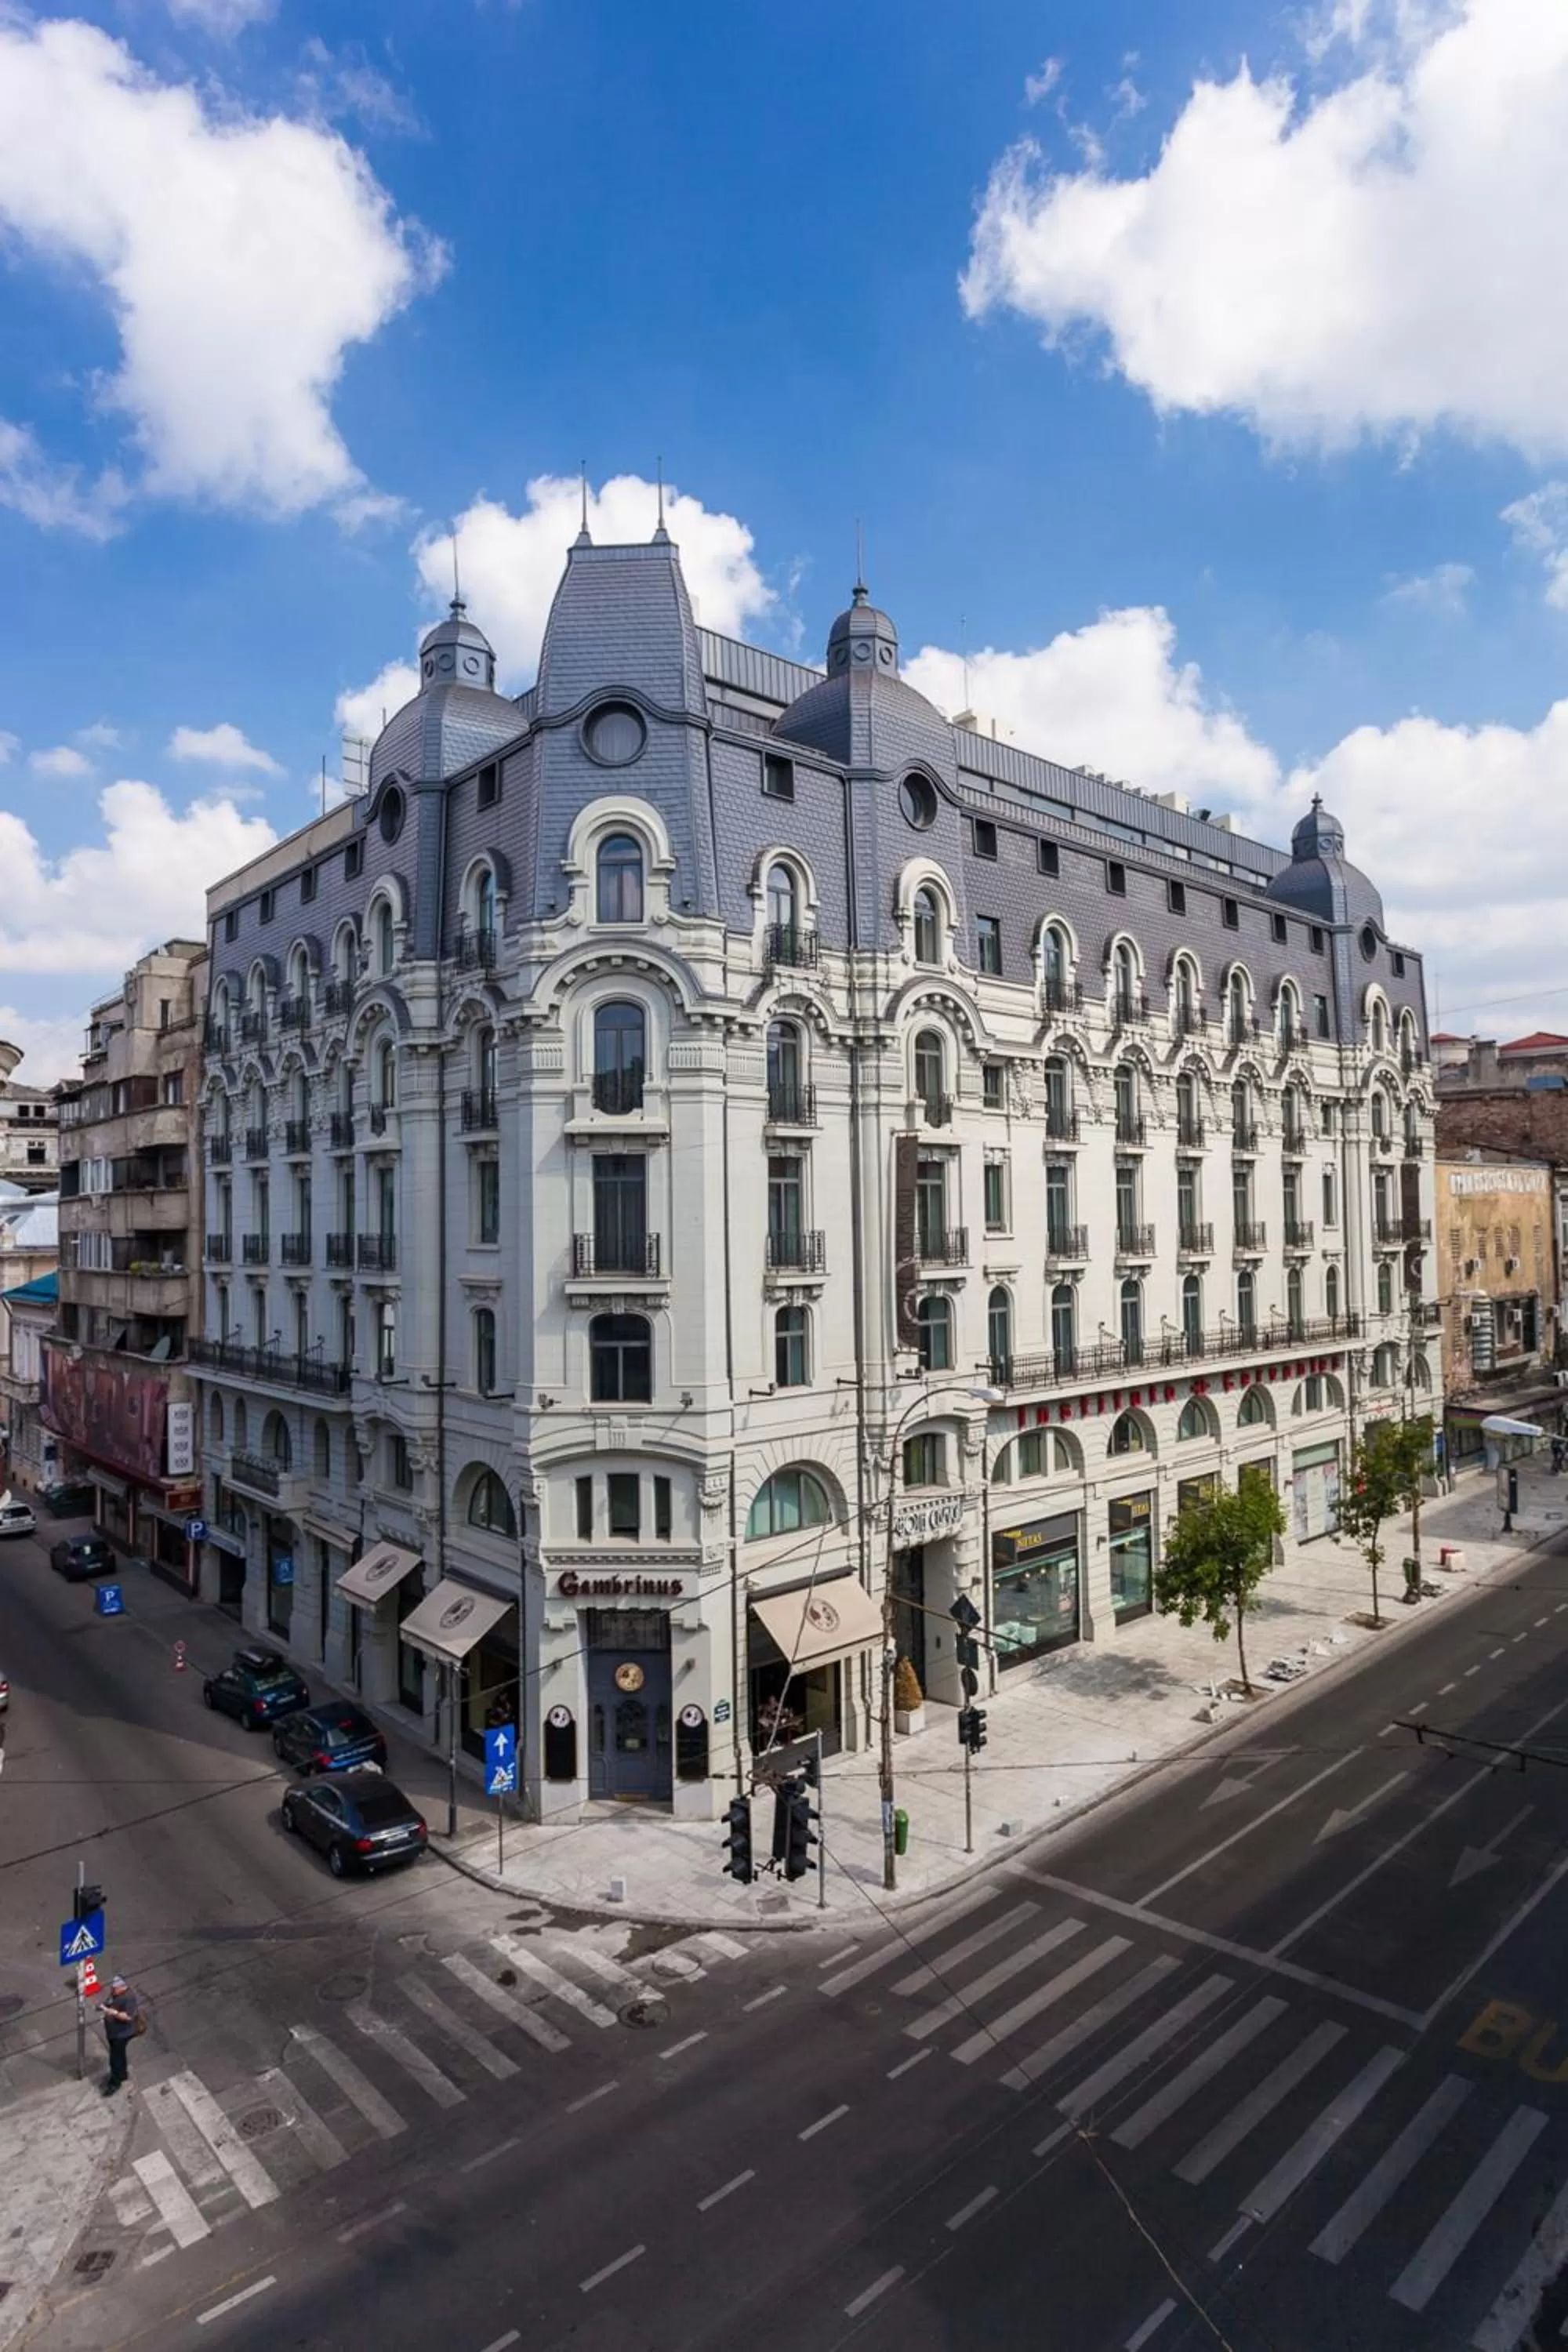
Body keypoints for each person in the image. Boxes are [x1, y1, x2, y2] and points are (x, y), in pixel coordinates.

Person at [101, 1974, 140, 2094]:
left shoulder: (129, 1998)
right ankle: (122, 2074)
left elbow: (129, 2017)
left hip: (121, 2034)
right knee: (119, 2054)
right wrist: (105, 2007)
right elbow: (110, 2002)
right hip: (114, 2032)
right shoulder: (115, 1994)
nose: (112, 1990)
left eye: (115, 1988)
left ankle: (115, 2082)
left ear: (123, 1987)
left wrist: (114, 2013)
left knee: (115, 2058)